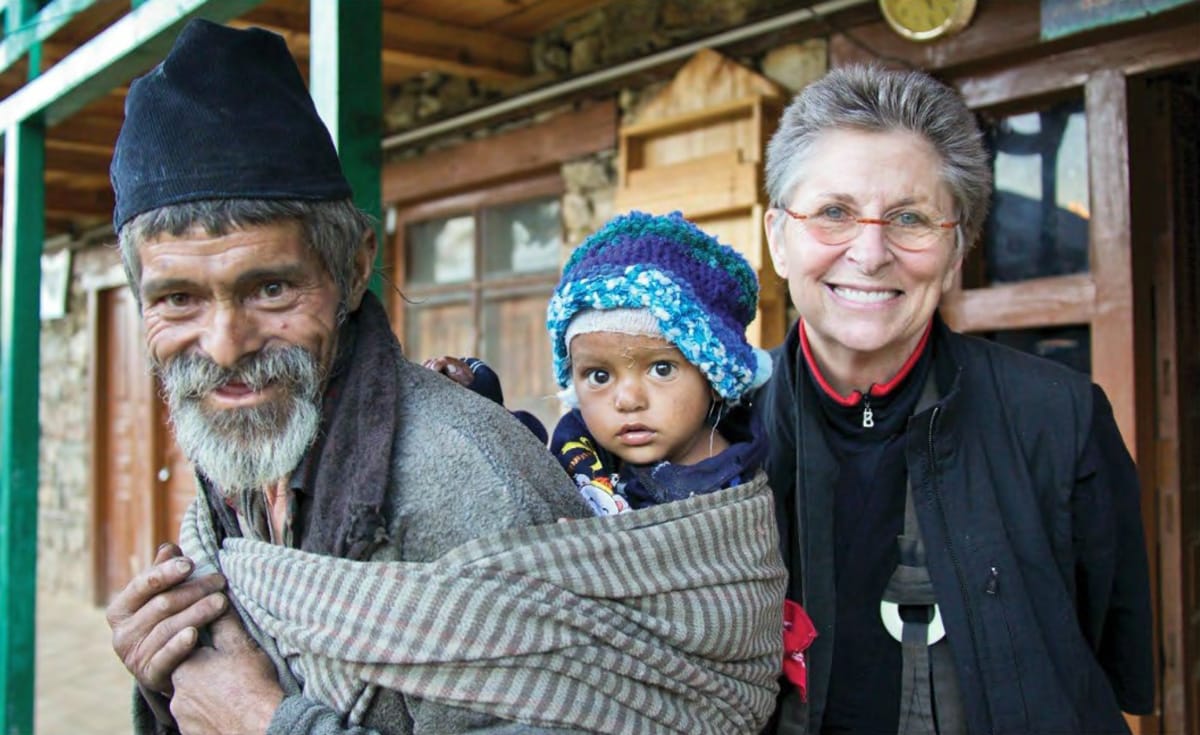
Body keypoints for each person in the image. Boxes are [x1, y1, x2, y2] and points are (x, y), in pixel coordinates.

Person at [105, 20, 789, 735]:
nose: (224, 345)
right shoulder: (250, 453)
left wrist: (271, 724)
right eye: (178, 298)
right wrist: (167, 664)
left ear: (351, 265)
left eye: (270, 289)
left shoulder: (467, 485)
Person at [755, 64, 1155, 734]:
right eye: (833, 213)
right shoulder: (713, 428)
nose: (871, 250)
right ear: (777, 239)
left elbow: (1091, 653)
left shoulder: (1060, 420)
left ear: (957, 246)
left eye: (910, 218)